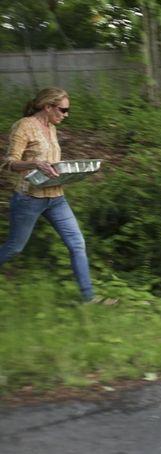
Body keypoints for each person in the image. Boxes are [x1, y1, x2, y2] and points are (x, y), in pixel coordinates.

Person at [0, 87, 94, 302]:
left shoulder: (51, 127)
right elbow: (9, 163)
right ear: (47, 107)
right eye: (63, 110)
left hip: (56, 198)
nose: (66, 114)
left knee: (77, 244)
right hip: (29, 198)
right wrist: (34, 163)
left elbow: (52, 164)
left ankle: (88, 299)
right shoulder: (24, 127)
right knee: (15, 247)